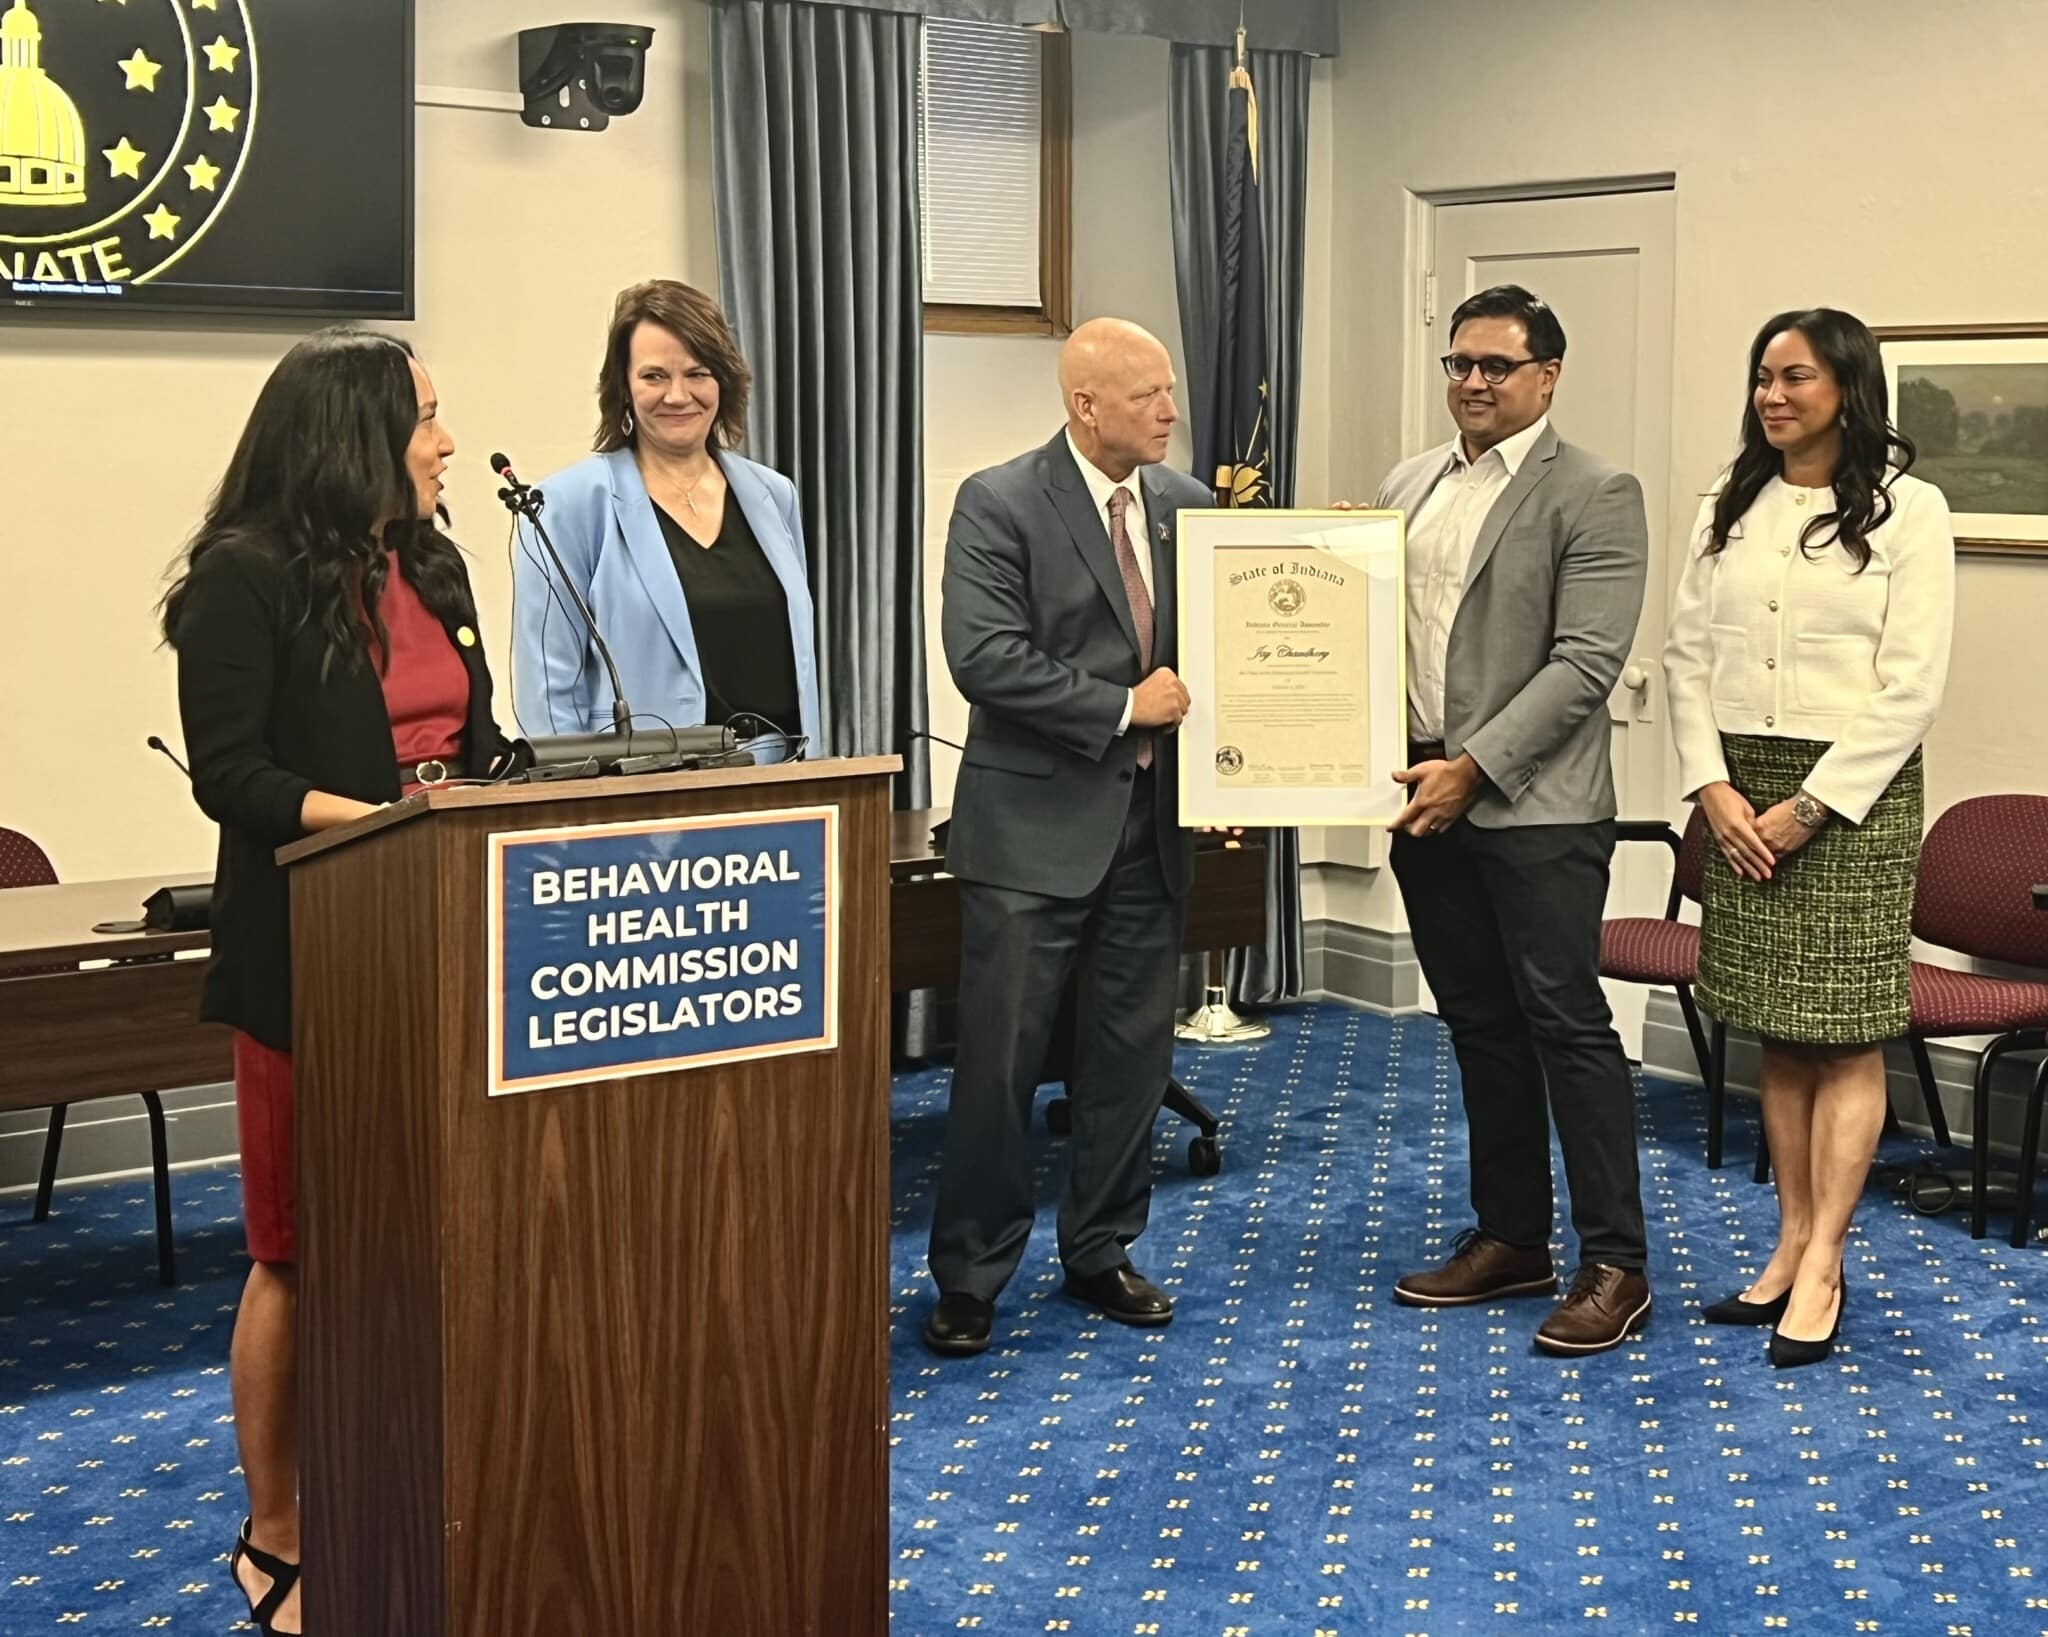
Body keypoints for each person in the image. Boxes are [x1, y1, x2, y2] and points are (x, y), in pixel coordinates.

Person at [164, 329, 526, 1635]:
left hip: (449, 946)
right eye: (423, 419)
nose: (442, 442)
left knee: (438, 1235)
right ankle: (275, 1531)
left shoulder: (431, 559)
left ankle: (417, 1475)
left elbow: (473, 742)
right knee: (299, 1251)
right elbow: (233, 775)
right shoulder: (242, 576)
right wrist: (379, 822)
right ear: (350, 437)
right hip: (312, 961)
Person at [1664, 307, 1954, 1368]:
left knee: (1842, 1027)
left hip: (1853, 794)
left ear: (1845, 386)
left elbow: (1909, 684)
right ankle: (1787, 1240)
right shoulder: (1724, 502)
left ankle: (1827, 1256)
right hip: (1736, 788)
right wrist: (1709, 786)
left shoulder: (1906, 510)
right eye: (1760, 378)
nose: (1771, 396)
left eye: (1793, 377)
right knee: (1772, 1027)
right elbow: (1685, 655)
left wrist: (1807, 807)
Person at [1369, 284, 1653, 1355]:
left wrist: (1471, 769)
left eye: (1495, 364)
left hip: (1533, 810)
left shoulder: (1594, 490)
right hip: (1420, 808)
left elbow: (1584, 662)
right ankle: (1510, 1235)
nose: (1472, 382)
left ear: (1547, 375)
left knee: (1565, 1028)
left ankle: (1613, 1261)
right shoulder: (1406, 483)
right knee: (1477, 1026)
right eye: (1458, 364)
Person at [922, 317, 1209, 1356]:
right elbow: (985, 658)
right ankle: (969, 1272)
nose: (1169, 412)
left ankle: (1099, 1249)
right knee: (997, 1069)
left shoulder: (1190, 509)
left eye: (1169, 391)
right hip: (1030, 834)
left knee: (1130, 1057)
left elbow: (1219, 662)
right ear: (1085, 405)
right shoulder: (998, 501)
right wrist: (1124, 707)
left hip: (1149, 832)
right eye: (1147, 397)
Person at [511, 279, 821, 758]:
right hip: (645, 793)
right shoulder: (568, 505)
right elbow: (549, 687)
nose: (678, 395)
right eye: (654, 376)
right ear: (623, 388)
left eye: (697, 373)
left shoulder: (774, 496)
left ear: (724, 381)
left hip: (780, 780)